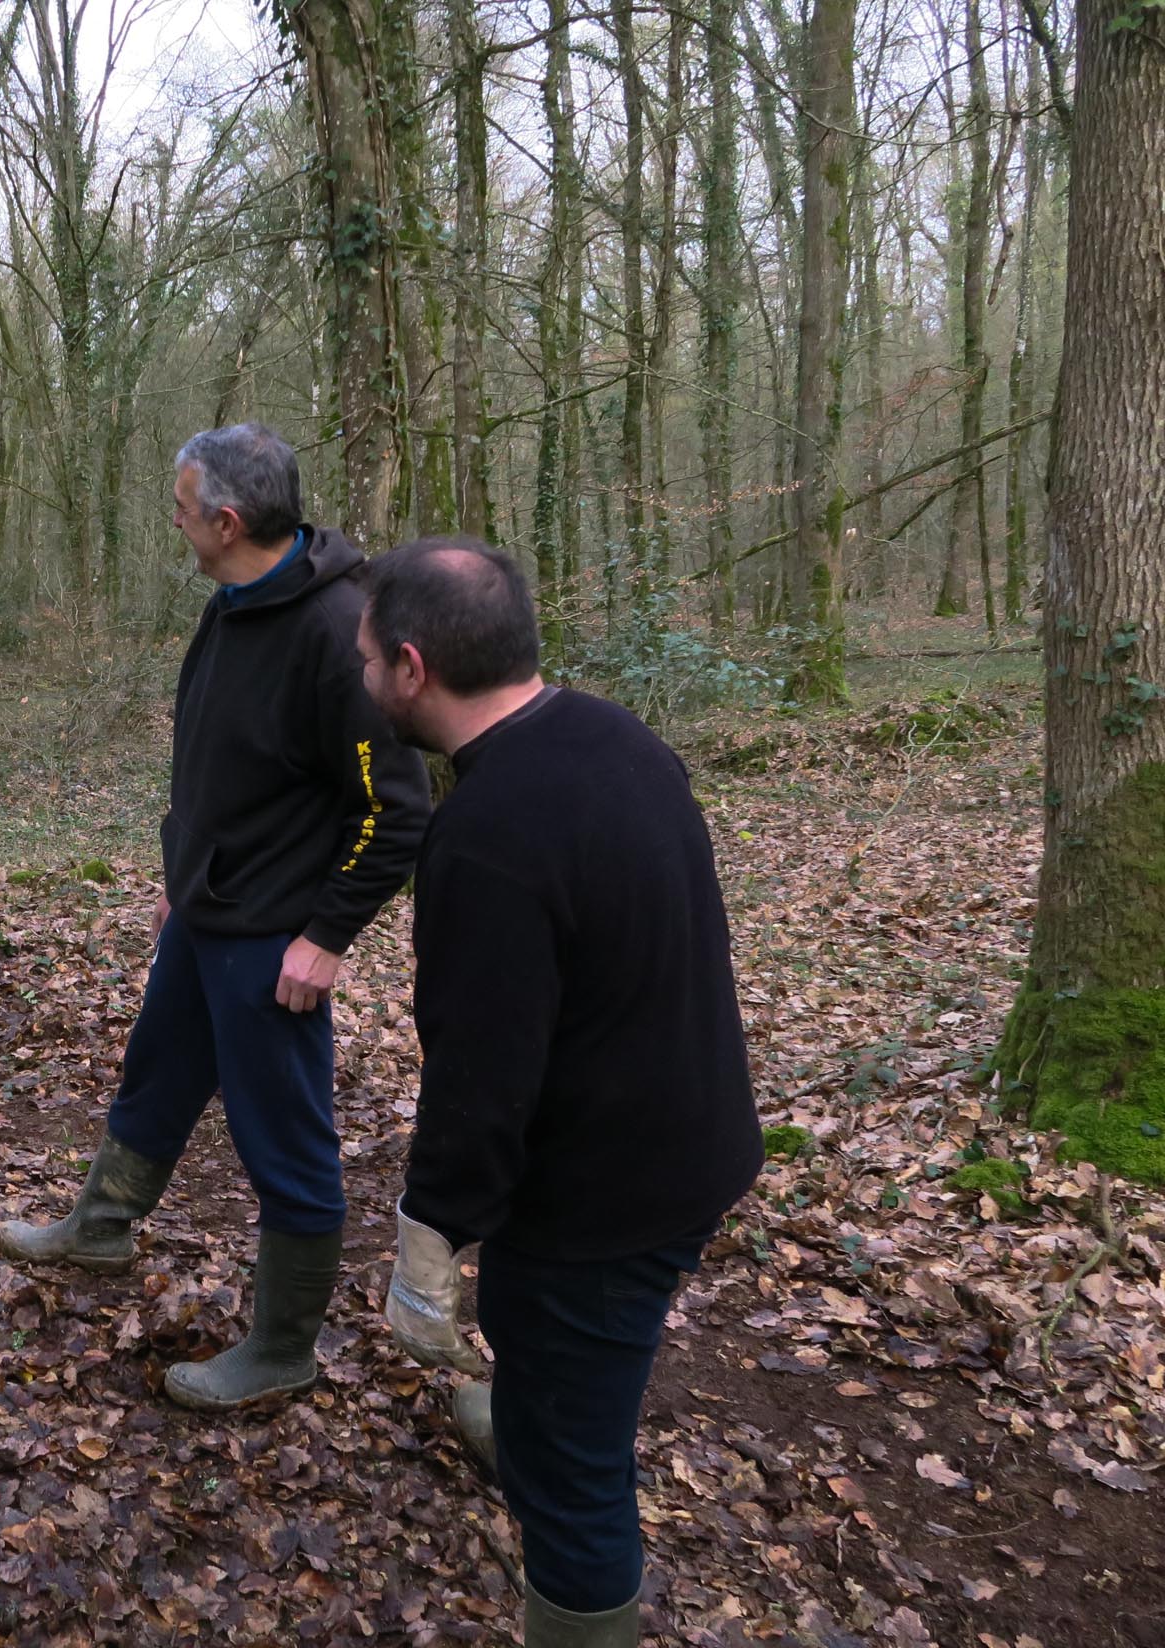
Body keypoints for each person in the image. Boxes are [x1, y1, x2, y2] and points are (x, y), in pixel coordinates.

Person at [356, 537, 762, 1647]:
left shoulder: (487, 836)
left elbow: (482, 1080)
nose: (359, 679)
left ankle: (572, 1566)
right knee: (549, 1366)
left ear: (410, 664)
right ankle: (531, 1409)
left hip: (605, 1199)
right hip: (691, 1140)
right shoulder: (613, 735)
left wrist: (428, 1241)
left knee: (577, 1479)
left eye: (363, 660)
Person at [0, 423, 431, 1411]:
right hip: (205, 912)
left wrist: (325, 937)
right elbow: (219, 757)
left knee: (285, 1137)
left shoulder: (336, 633)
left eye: (184, 509)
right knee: (156, 1077)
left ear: (228, 520)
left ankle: (283, 1345)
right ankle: (101, 1226)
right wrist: (181, 869)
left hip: (273, 940)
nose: (176, 523)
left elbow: (398, 810)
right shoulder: (233, 602)